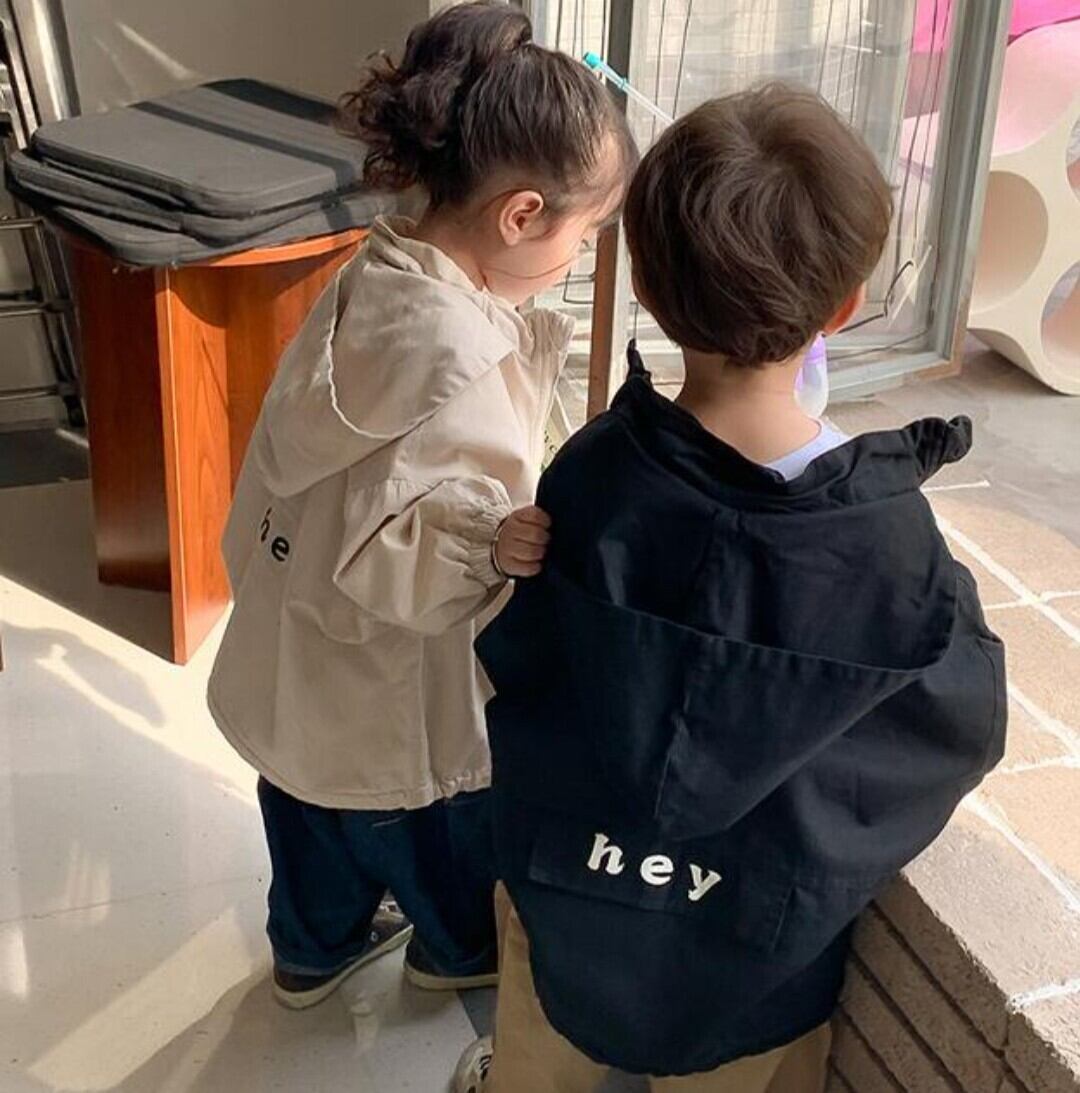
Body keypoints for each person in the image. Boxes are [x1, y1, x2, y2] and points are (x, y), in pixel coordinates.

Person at [456, 84, 1007, 1091]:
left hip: (572, 893)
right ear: (844, 308)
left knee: (534, 1060)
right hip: (759, 946)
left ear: (650, 286)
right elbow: (958, 724)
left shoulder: (595, 473)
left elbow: (522, 655)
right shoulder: (886, 541)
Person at [206, 1, 636, 1011]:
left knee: (305, 811)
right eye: (585, 235)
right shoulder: (460, 359)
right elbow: (403, 548)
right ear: (521, 215)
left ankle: (310, 952)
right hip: (389, 689)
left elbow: (338, 479)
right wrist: (495, 542)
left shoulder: (378, 276)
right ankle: (451, 950)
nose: (582, 257)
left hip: (294, 648)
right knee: (424, 819)